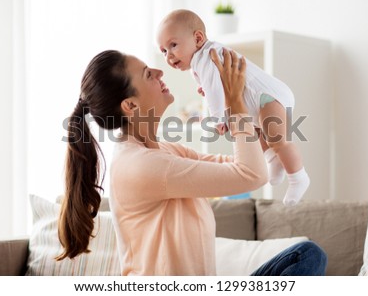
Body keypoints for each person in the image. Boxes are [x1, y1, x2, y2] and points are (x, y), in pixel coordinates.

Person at [56, 47, 327, 276]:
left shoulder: (164, 151)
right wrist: (234, 105)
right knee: (308, 256)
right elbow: (251, 174)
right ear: (131, 106)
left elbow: (241, 165)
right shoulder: (140, 165)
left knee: (305, 256)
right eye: (148, 74)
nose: (160, 72)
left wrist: (259, 114)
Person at [156, 9, 310, 206]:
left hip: (267, 96)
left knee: (278, 140)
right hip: (255, 102)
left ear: (198, 38)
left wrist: (218, 119)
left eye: (173, 45)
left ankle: (298, 177)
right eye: (163, 51)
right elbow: (215, 88)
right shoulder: (200, 61)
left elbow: (214, 89)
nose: (169, 56)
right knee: (258, 137)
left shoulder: (206, 57)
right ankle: (275, 161)